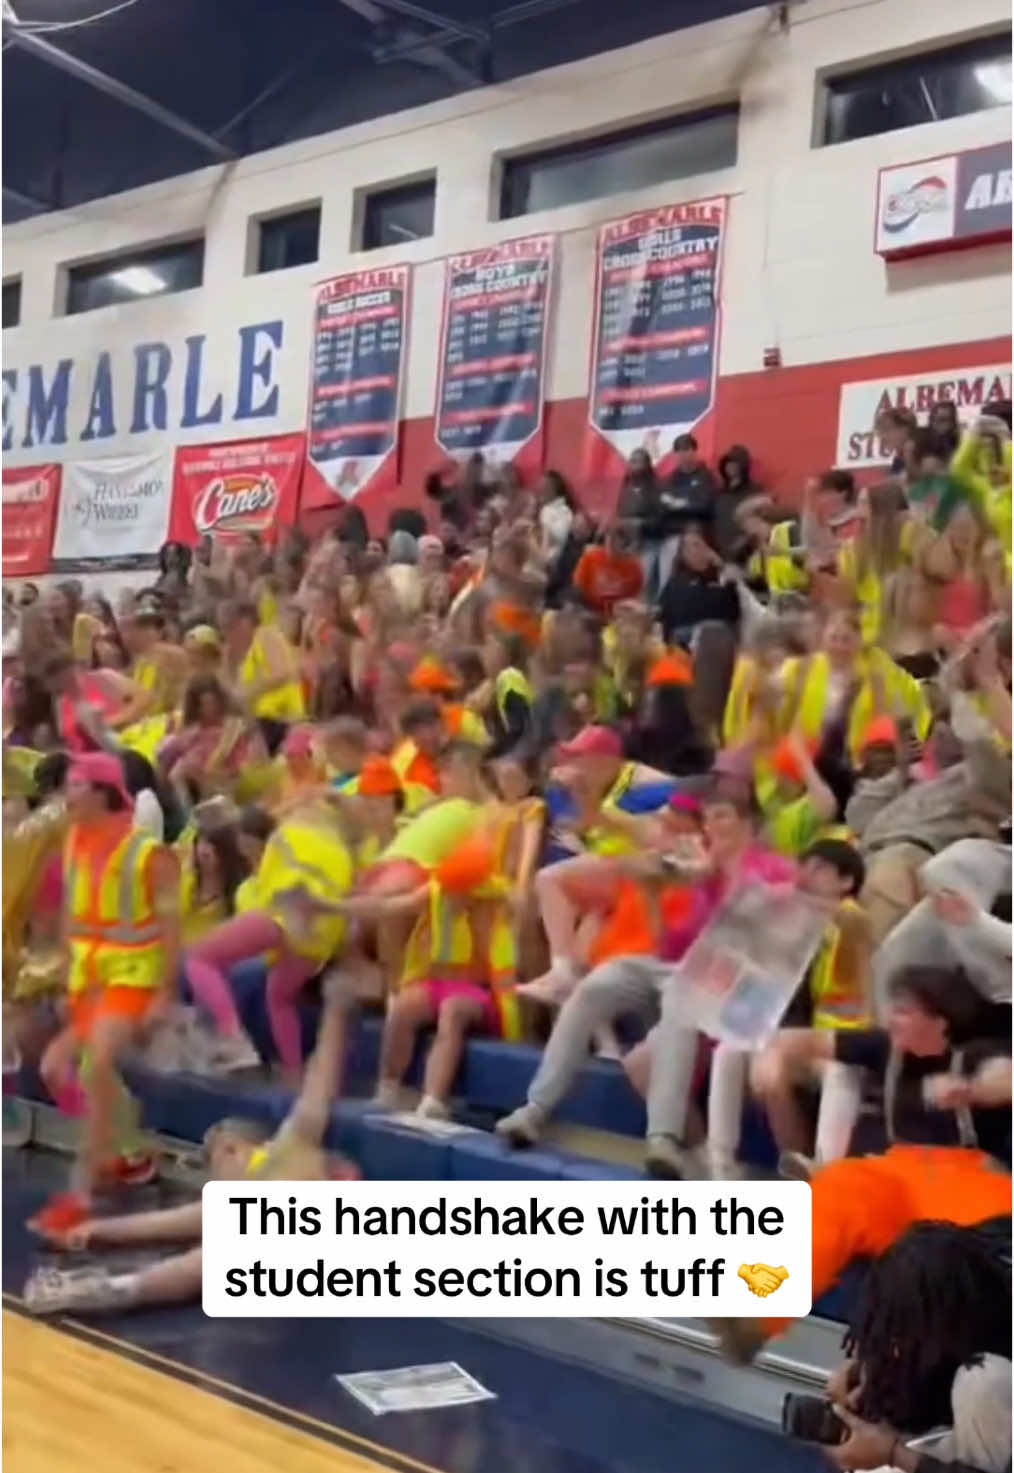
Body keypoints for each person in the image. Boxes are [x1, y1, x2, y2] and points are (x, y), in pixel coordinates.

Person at [24, 974, 360, 1315]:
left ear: (235, 1148)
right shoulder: (240, 1202)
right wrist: (93, 1231)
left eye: (215, 1164)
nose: (213, 1180)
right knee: (214, 1257)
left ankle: (118, 1288)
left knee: (217, 1256)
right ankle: (114, 1288)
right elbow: (160, 1224)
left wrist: (336, 1012)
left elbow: (320, 1085)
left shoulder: (290, 1145)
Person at [30, 752, 182, 1238]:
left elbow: (171, 929)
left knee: (95, 1067)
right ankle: (126, 1151)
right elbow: (76, 915)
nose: (65, 795)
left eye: (74, 786)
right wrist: (59, 971)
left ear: (101, 791)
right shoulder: (73, 840)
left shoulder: (147, 852)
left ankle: (81, 1195)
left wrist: (164, 993)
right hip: (89, 979)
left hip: (134, 977)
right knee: (55, 1068)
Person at [822, 1222, 1011, 1473]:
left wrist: (893, 1454)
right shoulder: (944, 1365)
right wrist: (868, 1377)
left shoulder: (986, 1380)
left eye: (903, 1328)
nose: (896, 1344)